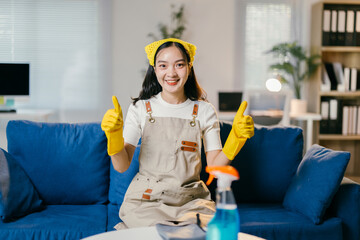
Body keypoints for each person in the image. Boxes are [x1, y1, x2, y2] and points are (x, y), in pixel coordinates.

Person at [101, 38, 254, 230]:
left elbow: (215, 166)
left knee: (197, 231)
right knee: (153, 233)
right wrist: (114, 136)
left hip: (191, 202)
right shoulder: (140, 108)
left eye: (179, 65)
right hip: (146, 200)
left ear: (189, 68)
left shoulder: (204, 110)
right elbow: (122, 166)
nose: (171, 73)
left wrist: (237, 139)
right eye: (163, 65)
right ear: (154, 69)